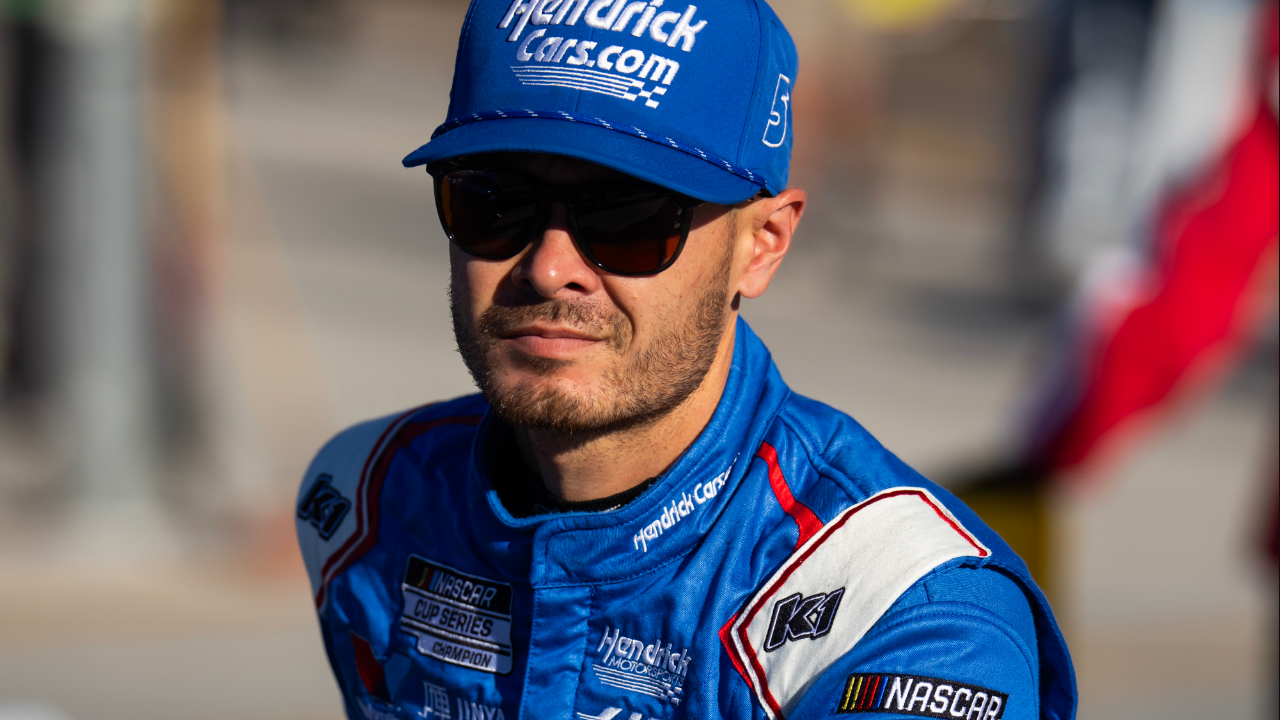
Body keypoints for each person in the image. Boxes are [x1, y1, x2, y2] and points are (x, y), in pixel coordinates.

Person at [294, 1, 1076, 718]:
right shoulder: (366, 498)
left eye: (629, 215)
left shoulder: (905, 613)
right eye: (491, 199)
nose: (548, 266)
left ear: (761, 247)